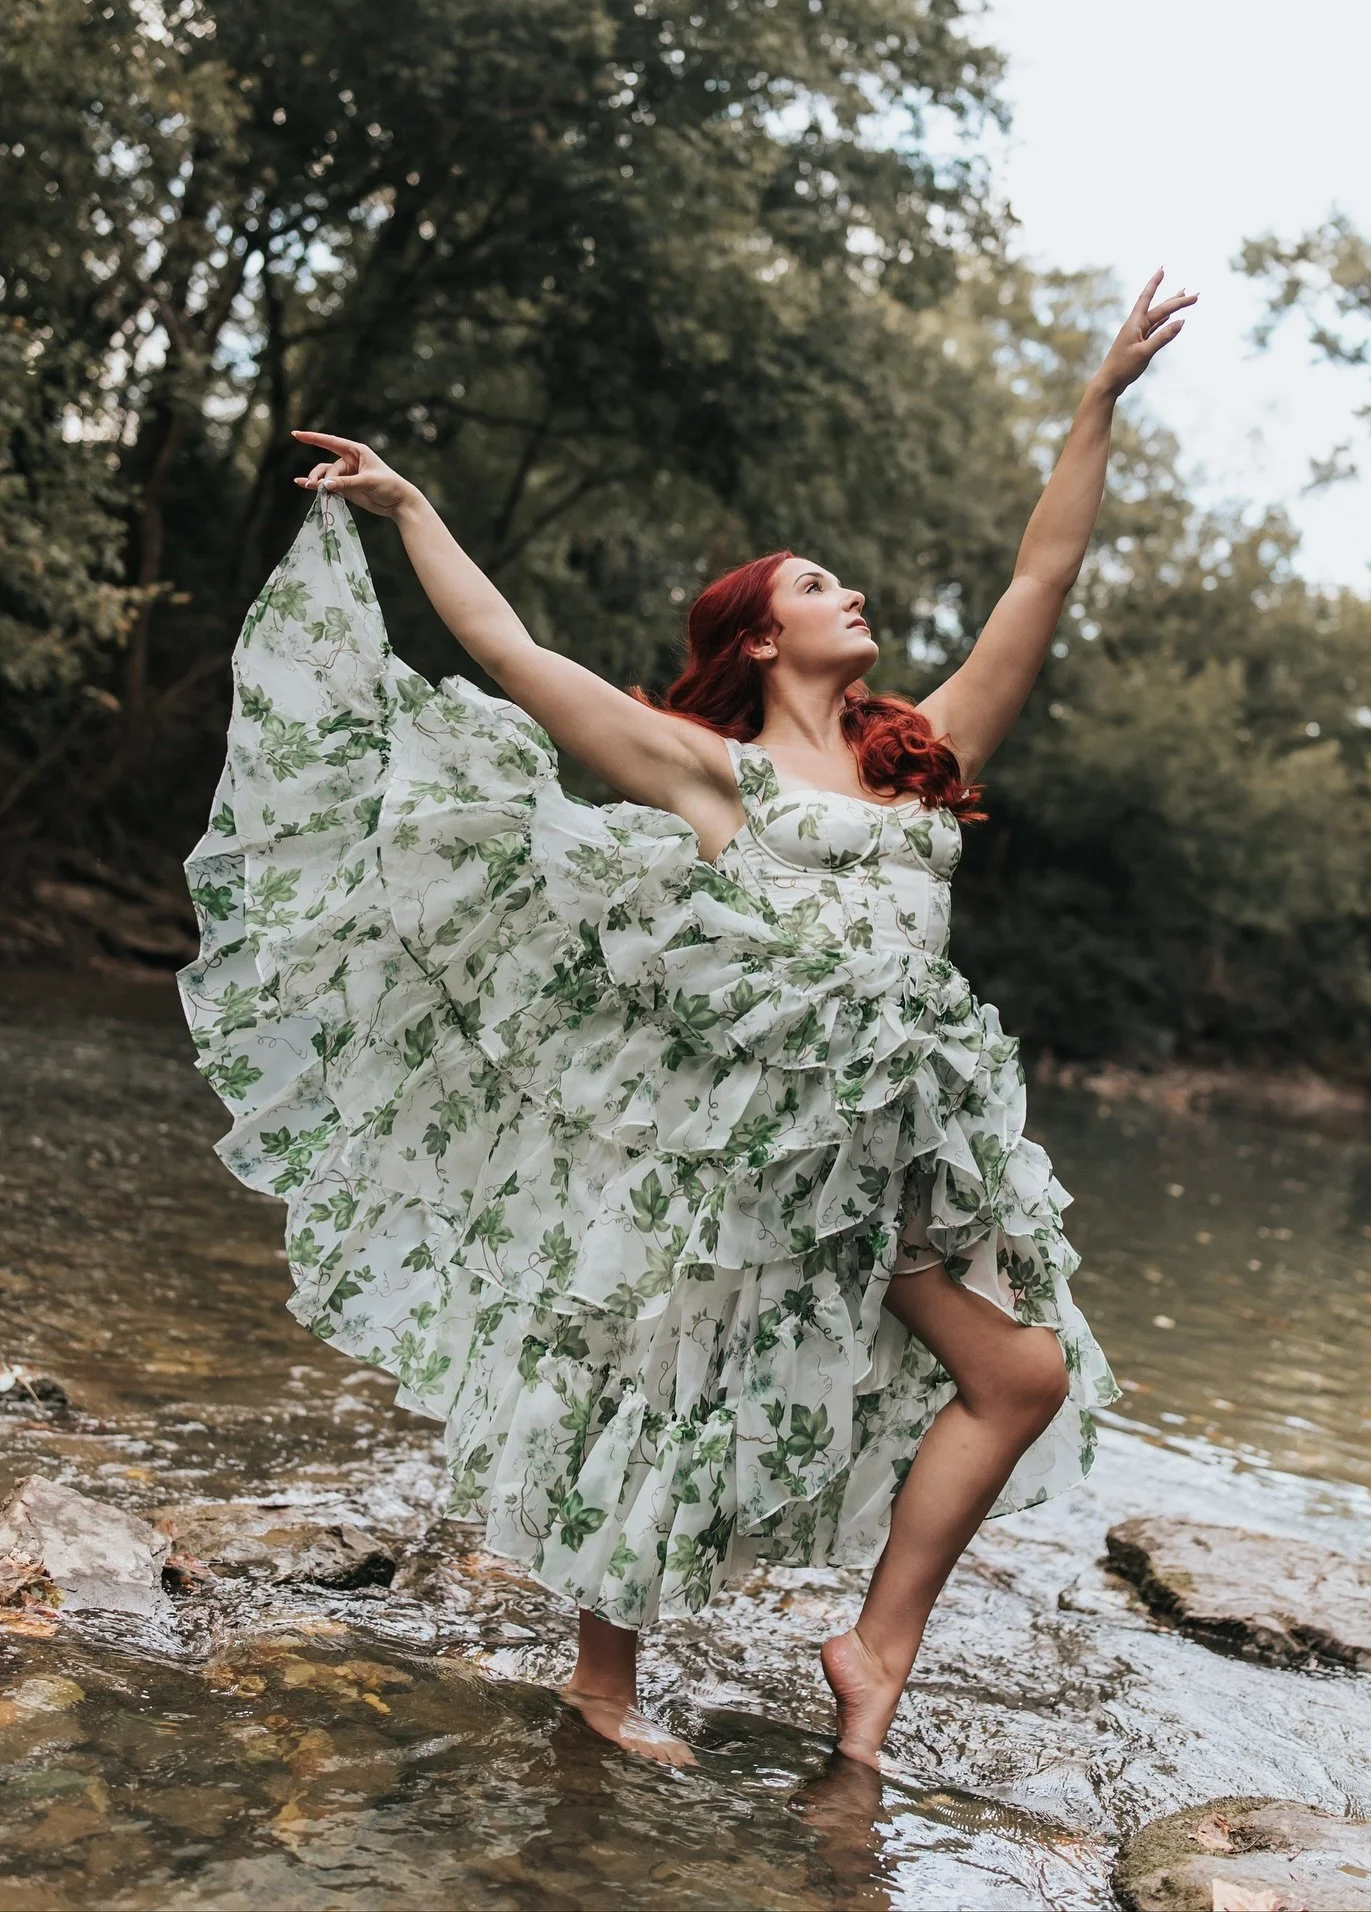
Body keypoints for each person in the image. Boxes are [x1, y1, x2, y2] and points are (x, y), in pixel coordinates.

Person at [181, 270, 1194, 1769]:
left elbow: (1038, 582)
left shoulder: (923, 758)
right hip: (760, 1150)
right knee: (673, 1392)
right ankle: (603, 1687)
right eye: (813, 585)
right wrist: (411, 514)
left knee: (1022, 1375)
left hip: (899, 1151)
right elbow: (517, 661)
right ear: (763, 640)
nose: (847, 593)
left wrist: (1095, 405)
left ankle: (872, 1651)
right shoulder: (712, 778)